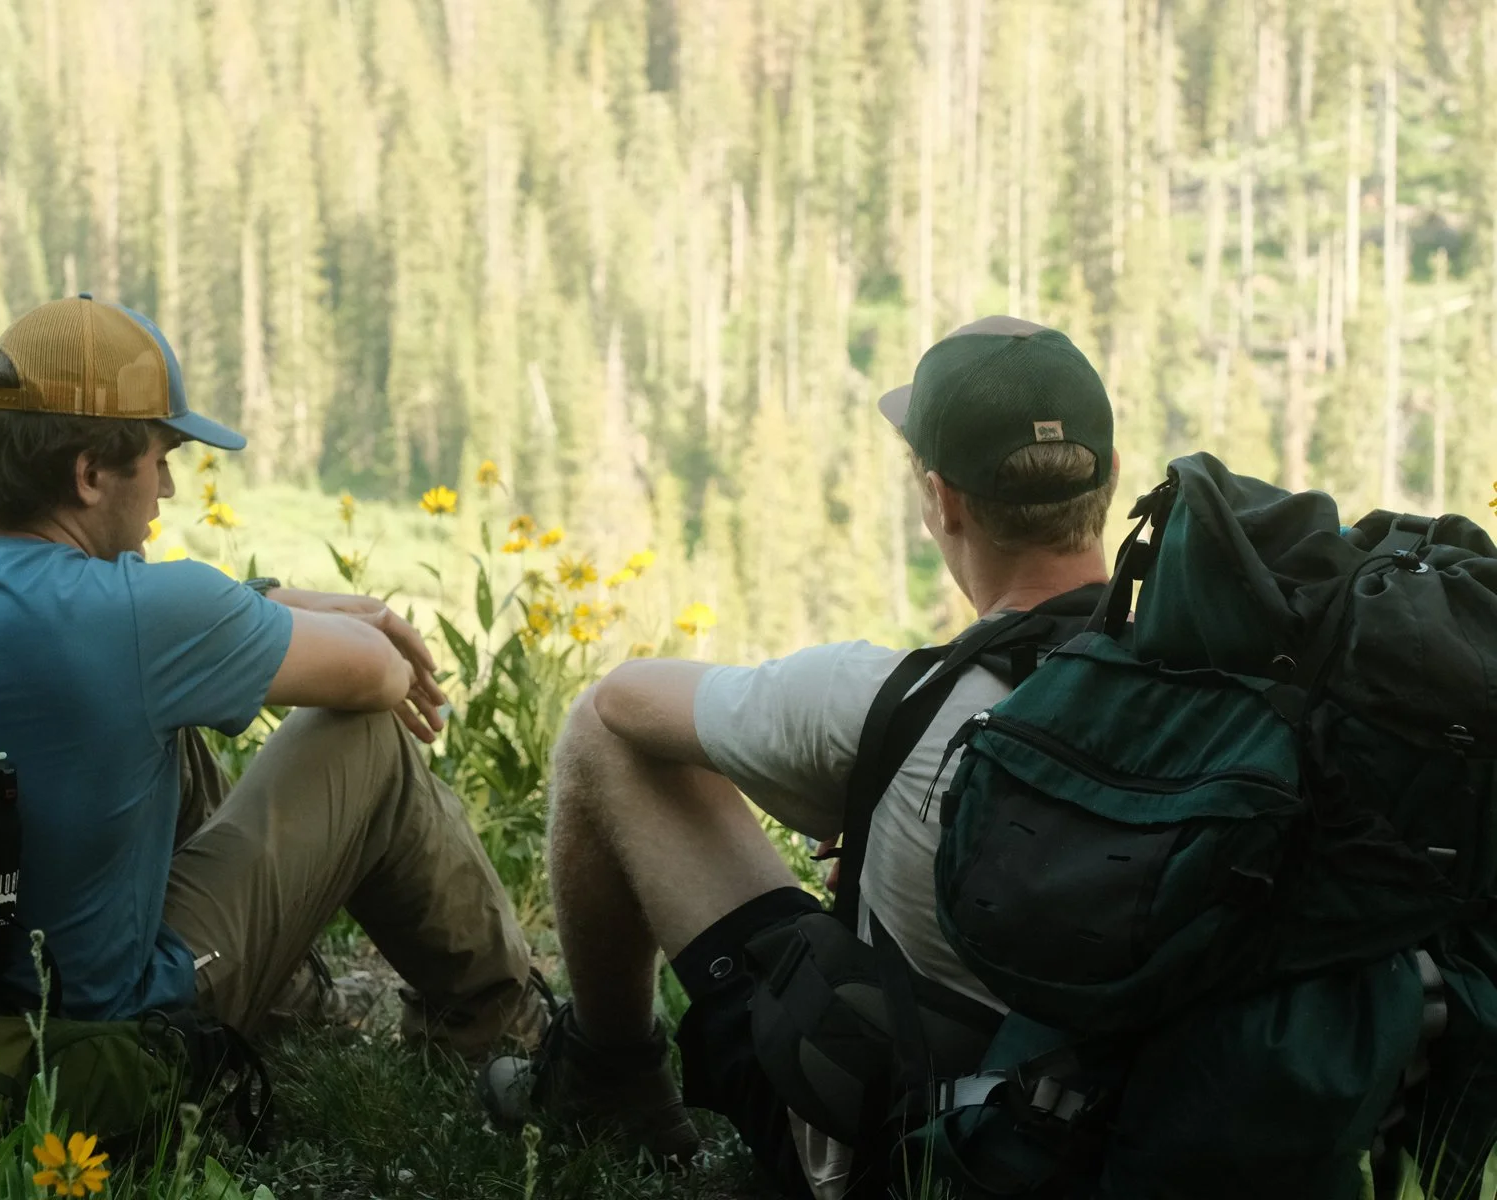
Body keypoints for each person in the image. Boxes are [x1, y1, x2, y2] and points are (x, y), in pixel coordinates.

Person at [481, 316, 1122, 1196]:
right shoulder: (1212, 700)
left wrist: (848, 788)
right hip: (1131, 1149)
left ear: (942, 499)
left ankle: (607, 1073)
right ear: (1112, 481)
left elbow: (626, 701)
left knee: (599, 738)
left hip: (910, 1164)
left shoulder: (880, 703)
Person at [0, 293, 544, 1055]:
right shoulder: (138, 616)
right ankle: (504, 1033)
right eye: (159, 461)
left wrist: (269, 606)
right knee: (366, 742)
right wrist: (365, 623)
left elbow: (159, 632)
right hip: (129, 1021)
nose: (168, 492)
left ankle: (293, 1003)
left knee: (166, 729)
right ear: (89, 474)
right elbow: (380, 678)